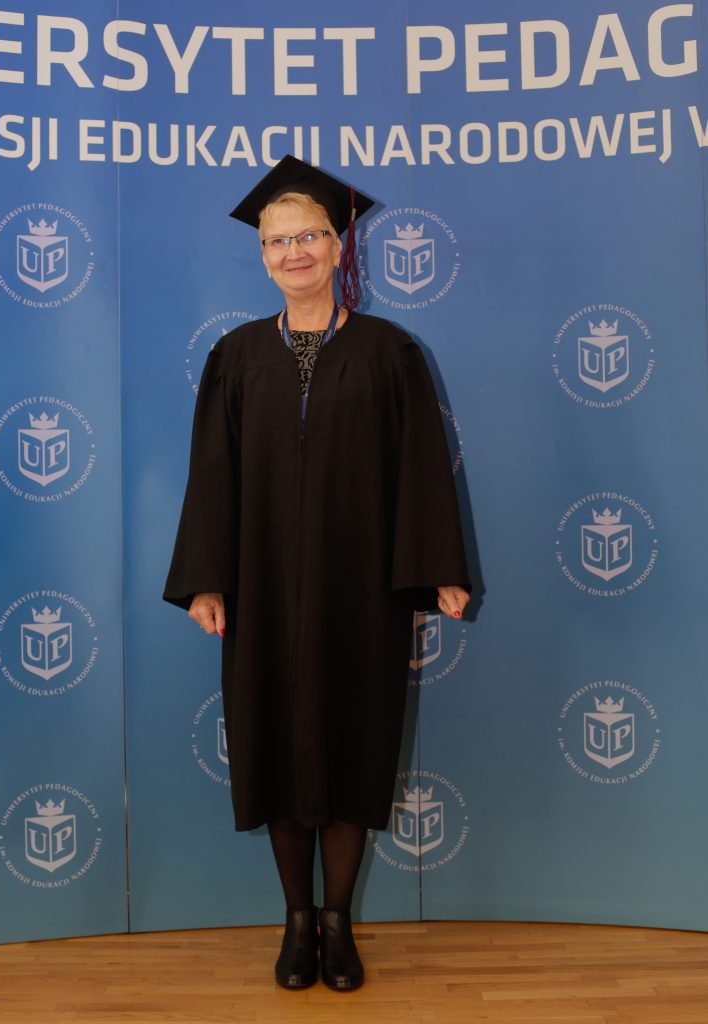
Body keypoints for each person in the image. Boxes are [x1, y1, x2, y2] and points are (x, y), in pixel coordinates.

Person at [164, 155, 470, 991]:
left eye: (309, 236)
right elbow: (211, 474)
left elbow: (420, 467)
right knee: (274, 745)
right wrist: (206, 578)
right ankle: (296, 921)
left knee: (352, 741)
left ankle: (338, 922)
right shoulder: (235, 355)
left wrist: (437, 568)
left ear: (339, 247)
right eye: (278, 240)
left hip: (358, 584)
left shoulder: (389, 351)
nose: (294, 251)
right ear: (262, 255)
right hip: (261, 585)